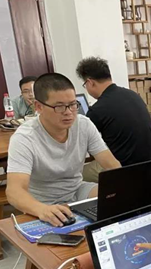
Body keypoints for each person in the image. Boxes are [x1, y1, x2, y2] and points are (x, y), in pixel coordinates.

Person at [6, 73, 121, 227]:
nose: (68, 112)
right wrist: (42, 209)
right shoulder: (24, 137)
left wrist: (123, 190)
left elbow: (112, 165)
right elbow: (14, 191)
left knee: (117, 201)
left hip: (77, 189)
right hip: (42, 201)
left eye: (73, 105)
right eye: (59, 106)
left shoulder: (83, 124)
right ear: (38, 107)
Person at [76, 57, 151, 182]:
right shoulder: (133, 95)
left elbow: (81, 143)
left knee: (75, 176)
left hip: (123, 168)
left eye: (85, 85)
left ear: (90, 82)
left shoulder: (98, 109)